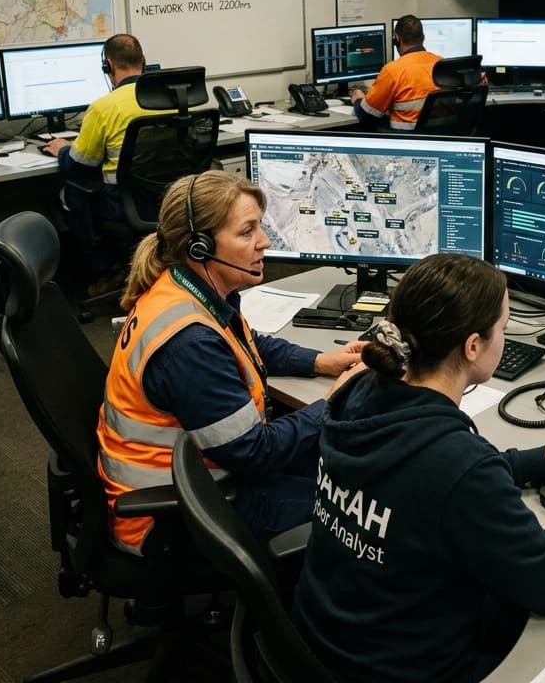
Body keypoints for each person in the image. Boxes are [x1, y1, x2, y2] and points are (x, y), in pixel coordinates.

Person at [292, 253, 545, 683]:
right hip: (404, 667)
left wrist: (539, 459)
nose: (503, 337)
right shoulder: (457, 465)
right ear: (473, 346)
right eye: (503, 328)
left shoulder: (360, 391)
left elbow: (419, 484)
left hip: (328, 639)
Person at [96, 170, 365, 553]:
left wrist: (321, 361)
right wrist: (334, 401)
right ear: (201, 248)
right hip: (186, 515)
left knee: (351, 467)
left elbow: (244, 343)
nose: (265, 242)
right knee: (365, 510)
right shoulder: (190, 345)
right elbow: (255, 452)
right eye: (247, 232)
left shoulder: (183, 289)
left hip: (205, 481)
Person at [41, 33, 151, 293]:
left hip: (121, 206)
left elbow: (79, 166)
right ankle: (133, 266)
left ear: (108, 66)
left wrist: (62, 150)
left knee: (64, 195)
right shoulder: (170, 98)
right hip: (168, 199)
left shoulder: (104, 107)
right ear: (143, 62)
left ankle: (107, 268)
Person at [350, 14, 441, 130]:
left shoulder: (393, 70)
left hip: (405, 138)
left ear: (397, 39)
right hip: (441, 136)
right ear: (423, 38)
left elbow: (367, 115)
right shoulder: (441, 63)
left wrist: (358, 100)